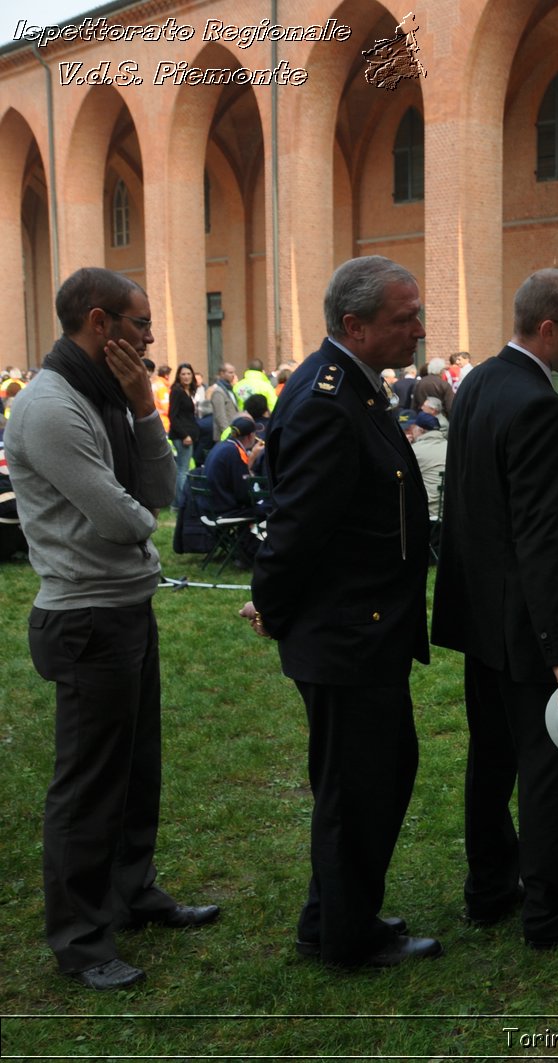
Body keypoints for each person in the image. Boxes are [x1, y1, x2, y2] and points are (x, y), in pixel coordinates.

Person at [7, 267, 219, 991]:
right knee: (90, 786)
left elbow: (162, 491)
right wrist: (143, 528)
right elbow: (122, 516)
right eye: (140, 323)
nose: (152, 337)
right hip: (85, 618)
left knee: (136, 769)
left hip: (124, 607)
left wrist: (142, 408)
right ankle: (80, 937)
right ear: (100, 323)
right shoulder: (49, 407)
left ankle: (132, 892)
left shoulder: (108, 397)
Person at [433, 268, 558, 948]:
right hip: (529, 634)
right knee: (549, 769)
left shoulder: (480, 384)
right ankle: (550, 910)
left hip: (485, 624)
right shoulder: (538, 404)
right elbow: (540, 538)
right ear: (549, 328)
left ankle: (490, 888)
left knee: (490, 760)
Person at [249, 255, 439, 968]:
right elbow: (294, 529)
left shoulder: (352, 384)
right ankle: (347, 937)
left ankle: (332, 917)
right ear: (354, 326)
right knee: (359, 786)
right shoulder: (330, 399)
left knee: (369, 778)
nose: (418, 329)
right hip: (347, 635)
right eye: (404, 317)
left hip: (362, 629)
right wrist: (274, 607)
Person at [167, 362, 201, 505]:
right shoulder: (177, 391)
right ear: (178, 376)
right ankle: (182, 503)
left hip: (189, 434)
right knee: (183, 469)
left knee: (182, 468)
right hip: (182, 436)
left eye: (188, 373)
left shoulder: (189, 391)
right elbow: (172, 416)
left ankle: (177, 503)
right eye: (183, 374)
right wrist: (184, 435)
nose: (186, 377)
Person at [403, 410, 446, 521]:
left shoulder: (414, 450)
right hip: (449, 511)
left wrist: (405, 447)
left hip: (427, 512)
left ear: (420, 430)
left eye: (413, 429)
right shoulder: (451, 447)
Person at [208, 363, 239, 443]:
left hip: (233, 432)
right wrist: (227, 433)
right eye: (230, 372)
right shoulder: (218, 391)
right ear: (222, 373)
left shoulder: (230, 389)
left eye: (234, 372)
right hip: (224, 436)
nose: (233, 375)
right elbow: (220, 416)